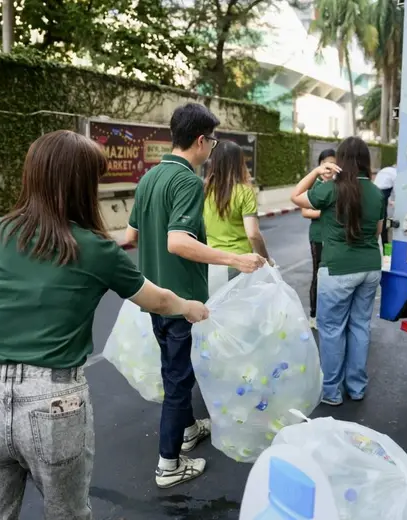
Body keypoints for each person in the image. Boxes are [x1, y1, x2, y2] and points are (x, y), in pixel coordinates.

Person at [0, 130, 209, 520]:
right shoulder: (95, 249)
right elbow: (159, 300)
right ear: (84, 185)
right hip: (55, 403)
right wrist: (190, 307)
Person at [124, 103, 265, 488]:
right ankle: (169, 465)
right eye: (212, 141)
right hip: (180, 303)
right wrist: (235, 257)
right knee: (178, 381)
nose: (211, 150)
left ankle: (187, 429)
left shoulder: (149, 179)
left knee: (175, 370)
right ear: (201, 141)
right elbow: (178, 242)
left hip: (153, 297)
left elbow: (131, 236)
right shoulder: (187, 181)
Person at [290, 136, 384, 406]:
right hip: (369, 268)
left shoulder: (331, 189)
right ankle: (356, 387)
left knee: (331, 330)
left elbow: (296, 197)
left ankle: (331, 391)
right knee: (359, 327)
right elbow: (377, 231)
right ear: (366, 162)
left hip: (337, 269)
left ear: (340, 161)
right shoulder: (377, 193)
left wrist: (317, 172)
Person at [203, 140, 273, 284]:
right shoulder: (245, 192)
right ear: (239, 162)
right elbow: (253, 234)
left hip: (211, 263)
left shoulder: (204, 190)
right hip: (239, 264)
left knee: (214, 305)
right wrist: (266, 259)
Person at [302, 148, 336, 329]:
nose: (329, 167)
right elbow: (305, 211)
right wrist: (326, 212)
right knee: (318, 275)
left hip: (336, 238)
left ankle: (330, 314)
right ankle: (314, 314)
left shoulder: (340, 185)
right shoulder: (315, 185)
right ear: (320, 165)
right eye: (326, 164)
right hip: (318, 237)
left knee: (335, 277)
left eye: (333, 163)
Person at [373, 163, 397, 247]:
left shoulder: (384, 170)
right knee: (383, 225)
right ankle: (386, 250)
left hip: (375, 192)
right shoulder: (396, 173)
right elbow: (397, 190)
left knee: (379, 220)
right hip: (383, 194)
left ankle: (383, 246)